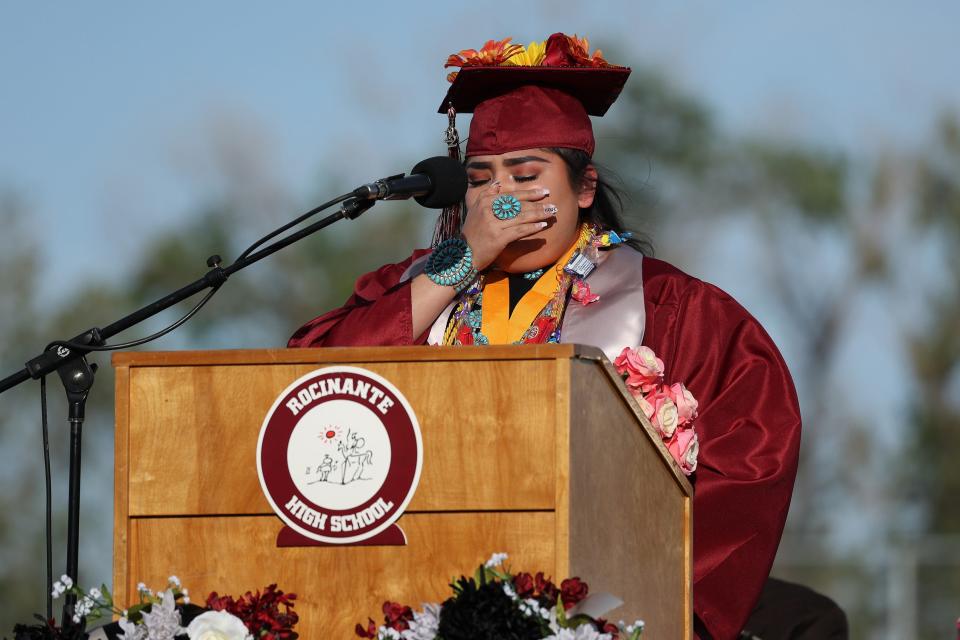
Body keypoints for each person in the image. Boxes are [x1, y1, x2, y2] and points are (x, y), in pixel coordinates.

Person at [289, 33, 802, 640]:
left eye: (525, 174)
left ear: (583, 190)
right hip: (414, 594)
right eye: (480, 179)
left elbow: (752, 453)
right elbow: (312, 386)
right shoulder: (413, 284)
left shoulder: (669, 306)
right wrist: (459, 265)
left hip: (594, 606)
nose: (500, 196)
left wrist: (658, 600)